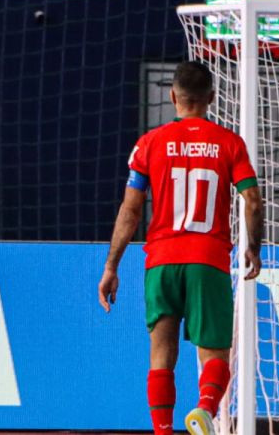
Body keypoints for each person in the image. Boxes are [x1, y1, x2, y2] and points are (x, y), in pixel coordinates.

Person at [98, 61, 264, 435]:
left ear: (173, 96)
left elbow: (130, 210)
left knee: (161, 355)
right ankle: (204, 409)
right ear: (212, 98)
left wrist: (111, 266)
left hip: (161, 261)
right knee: (216, 354)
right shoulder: (229, 143)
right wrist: (253, 247)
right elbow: (252, 201)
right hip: (208, 260)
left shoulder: (149, 144)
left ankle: (163, 431)